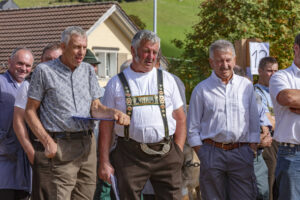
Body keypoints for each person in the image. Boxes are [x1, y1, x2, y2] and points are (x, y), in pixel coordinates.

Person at [25, 26, 129, 200]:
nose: (81, 52)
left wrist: (114, 113)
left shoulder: (88, 70)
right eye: (76, 47)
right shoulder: (44, 71)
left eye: (84, 47)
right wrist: (47, 141)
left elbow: (96, 107)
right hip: (60, 146)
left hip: (88, 146)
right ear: (63, 47)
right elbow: (29, 111)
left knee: (85, 197)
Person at [98, 30, 186, 200]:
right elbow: (106, 126)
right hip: (130, 155)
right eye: (146, 51)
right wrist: (104, 161)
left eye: (155, 52)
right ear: (133, 50)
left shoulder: (167, 79)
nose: (151, 57)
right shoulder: (115, 83)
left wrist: (179, 152)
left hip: (167, 153)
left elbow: (180, 118)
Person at [187, 39, 260, 200]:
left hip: (241, 151)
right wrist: (204, 153)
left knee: (245, 197)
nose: (224, 65)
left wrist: (251, 148)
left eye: (228, 60)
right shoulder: (201, 89)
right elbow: (192, 128)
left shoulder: (246, 86)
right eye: (219, 61)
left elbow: (254, 120)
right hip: (212, 152)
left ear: (234, 60)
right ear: (211, 62)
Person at [13, 43, 62, 200]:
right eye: (48, 59)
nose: (51, 63)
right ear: (41, 61)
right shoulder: (28, 85)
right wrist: (30, 151)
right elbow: (18, 121)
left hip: (67, 151)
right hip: (41, 151)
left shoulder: (70, 84)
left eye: (57, 59)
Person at [0, 48, 34, 200]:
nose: (24, 68)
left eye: (28, 65)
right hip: (4, 161)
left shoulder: (32, 88)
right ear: (9, 62)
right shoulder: (1, 84)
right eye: (20, 63)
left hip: (25, 165)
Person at [269, 33, 300, 200]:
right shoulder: (281, 76)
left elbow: (295, 99)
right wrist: (293, 100)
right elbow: (288, 98)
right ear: (296, 48)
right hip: (292, 154)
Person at [254, 56, 278, 200]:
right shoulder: (257, 93)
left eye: (276, 71)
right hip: (267, 143)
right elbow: (270, 122)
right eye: (269, 71)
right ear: (260, 71)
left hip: (282, 142)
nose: (273, 75)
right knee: (269, 184)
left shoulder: (276, 92)